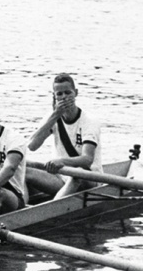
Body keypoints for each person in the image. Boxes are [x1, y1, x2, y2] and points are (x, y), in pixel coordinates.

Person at [26, 73, 103, 201]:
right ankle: (19, 206)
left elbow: (87, 159)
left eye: (68, 93)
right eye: (59, 94)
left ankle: (50, 210)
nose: (64, 97)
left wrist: (62, 161)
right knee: (22, 168)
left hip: (88, 178)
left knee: (76, 175)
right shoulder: (51, 117)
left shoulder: (90, 121)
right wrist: (55, 115)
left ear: (76, 93)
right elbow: (32, 146)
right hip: (60, 177)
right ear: (54, 97)